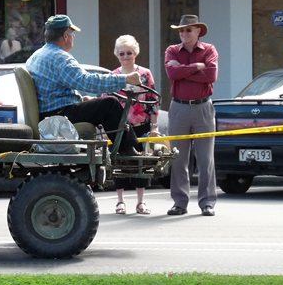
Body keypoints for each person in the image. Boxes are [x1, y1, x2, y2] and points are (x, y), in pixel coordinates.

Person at [26, 14, 142, 156]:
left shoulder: (36, 56)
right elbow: (87, 81)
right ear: (65, 36)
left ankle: (124, 151)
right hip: (59, 117)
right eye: (72, 34)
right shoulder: (59, 57)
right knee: (110, 104)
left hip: (49, 116)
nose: (73, 37)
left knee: (98, 104)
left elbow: (55, 89)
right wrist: (125, 79)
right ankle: (128, 153)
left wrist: (80, 101)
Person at [164, 14, 218, 217]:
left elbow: (211, 75)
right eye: (181, 30)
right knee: (178, 159)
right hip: (179, 107)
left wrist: (183, 71)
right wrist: (196, 67)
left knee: (206, 159)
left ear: (198, 31)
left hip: (203, 106)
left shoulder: (209, 50)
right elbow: (172, 74)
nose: (184, 33)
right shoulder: (172, 50)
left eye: (188, 30)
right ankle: (180, 202)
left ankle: (207, 202)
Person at [107, 35, 159, 215]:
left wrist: (154, 126)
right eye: (122, 53)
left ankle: (141, 202)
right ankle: (120, 201)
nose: (125, 56)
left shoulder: (145, 74)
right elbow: (105, 99)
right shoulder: (113, 76)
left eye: (129, 53)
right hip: (119, 126)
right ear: (117, 54)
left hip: (141, 124)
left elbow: (153, 100)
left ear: (135, 53)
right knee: (118, 163)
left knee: (141, 163)